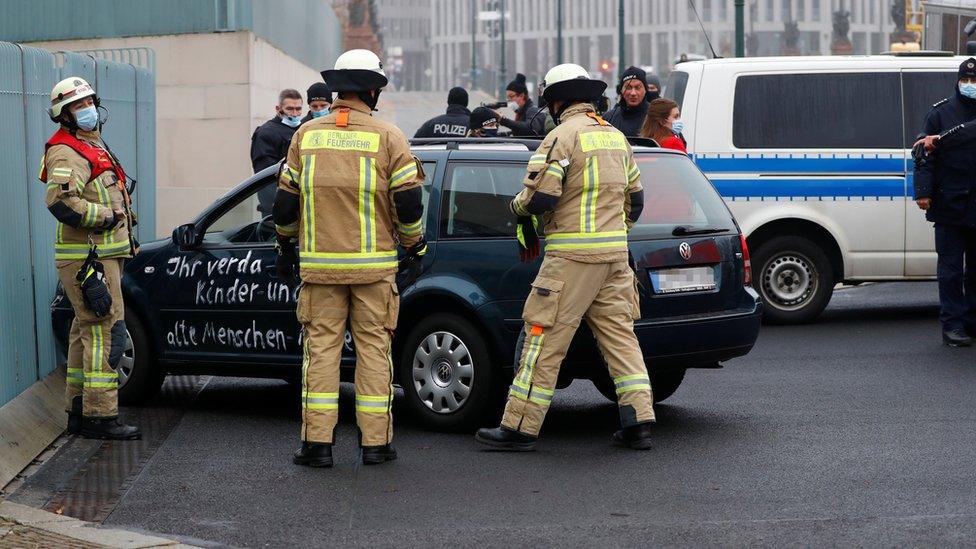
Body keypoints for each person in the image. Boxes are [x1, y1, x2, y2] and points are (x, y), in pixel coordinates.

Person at [475, 63, 653, 452]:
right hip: (614, 258)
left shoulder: (561, 136)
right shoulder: (616, 138)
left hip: (571, 260)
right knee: (621, 339)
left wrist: (518, 208)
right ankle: (638, 422)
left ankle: (520, 427)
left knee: (543, 338)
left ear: (556, 101)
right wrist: (614, 233)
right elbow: (636, 202)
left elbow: (541, 197)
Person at [273, 49, 427, 467]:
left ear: (338, 89)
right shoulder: (389, 137)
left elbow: (284, 208)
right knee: (375, 350)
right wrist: (415, 246)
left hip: (320, 270)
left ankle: (317, 445)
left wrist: (285, 246)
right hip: (375, 271)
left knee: (321, 351)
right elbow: (409, 205)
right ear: (373, 90)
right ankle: (376, 444)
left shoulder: (306, 136)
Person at [40, 77, 141, 440]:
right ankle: (101, 416)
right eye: (77, 106)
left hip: (100, 255)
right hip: (88, 259)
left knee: (85, 332)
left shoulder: (90, 145)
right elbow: (60, 201)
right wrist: (106, 217)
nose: (87, 110)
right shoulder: (67, 151)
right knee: (106, 331)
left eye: (88, 103)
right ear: (63, 116)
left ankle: (80, 412)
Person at [912, 57, 976, 347]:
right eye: (967, 80)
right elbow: (924, 156)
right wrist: (923, 193)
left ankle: (972, 322)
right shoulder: (940, 113)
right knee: (950, 271)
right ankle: (952, 325)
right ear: (958, 80)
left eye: (975, 81)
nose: (971, 85)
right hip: (950, 206)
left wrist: (943, 139)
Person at [252, 89, 303, 216]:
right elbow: (266, 176)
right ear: (278, 109)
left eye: (298, 109)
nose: (295, 113)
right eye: (290, 109)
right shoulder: (266, 133)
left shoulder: (303, 129)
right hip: (276, 207)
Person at [604, 66, 651, 136]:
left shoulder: (656, 117)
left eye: (638, 88)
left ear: (645, 90)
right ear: (621, 90)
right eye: (628, 88)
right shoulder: (609, 118)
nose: (633, 93)